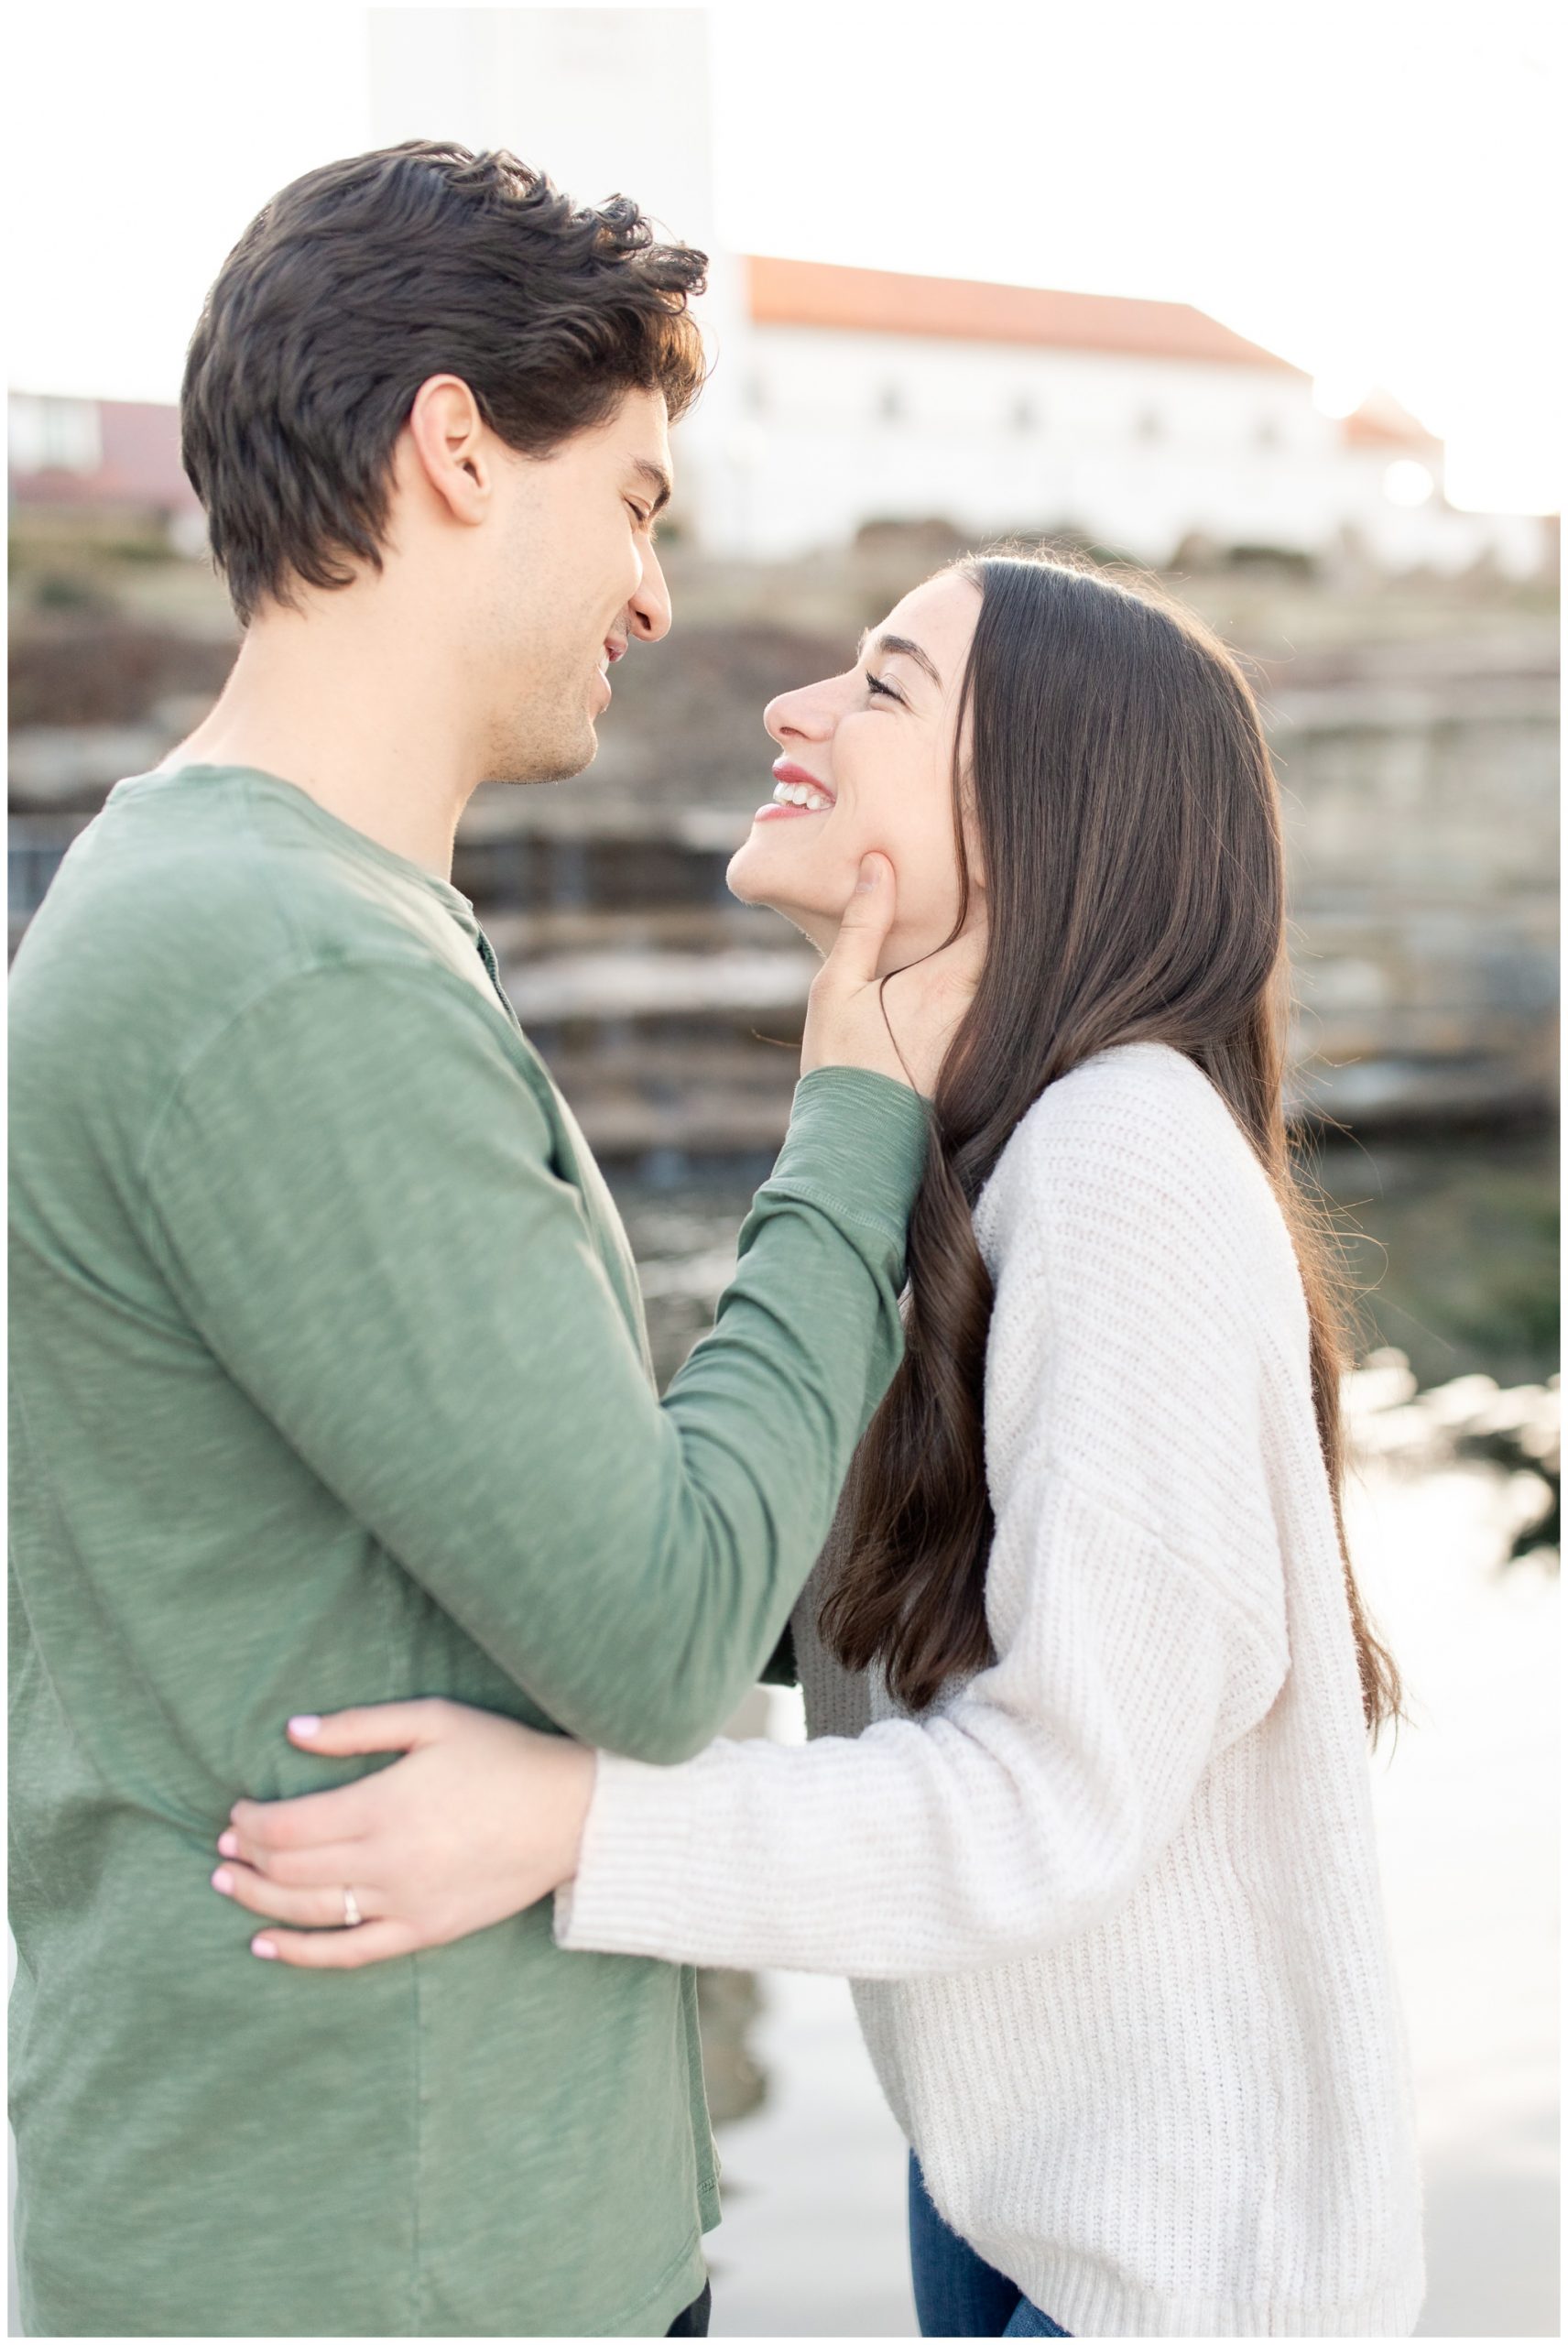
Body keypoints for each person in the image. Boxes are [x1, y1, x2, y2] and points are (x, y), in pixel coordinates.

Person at [217, 552, 1429, 2338]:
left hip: (1187, 2276)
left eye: (878, 688)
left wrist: (571, 1825)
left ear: (1035, 807)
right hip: (1022, 2196)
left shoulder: (1123, 1163)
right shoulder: (977, 1161)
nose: (792, 710)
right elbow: (761, 1586)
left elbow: (1053, 1797)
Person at [7, 141, 980, 2340]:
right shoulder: (284, 967)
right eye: (635, 498)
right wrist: (860, 1098)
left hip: (366, 2213)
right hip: (388, 2252)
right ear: (457, 447)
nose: (654, 596)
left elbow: (511, 1562)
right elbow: (645, 1628)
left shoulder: (258, 915)